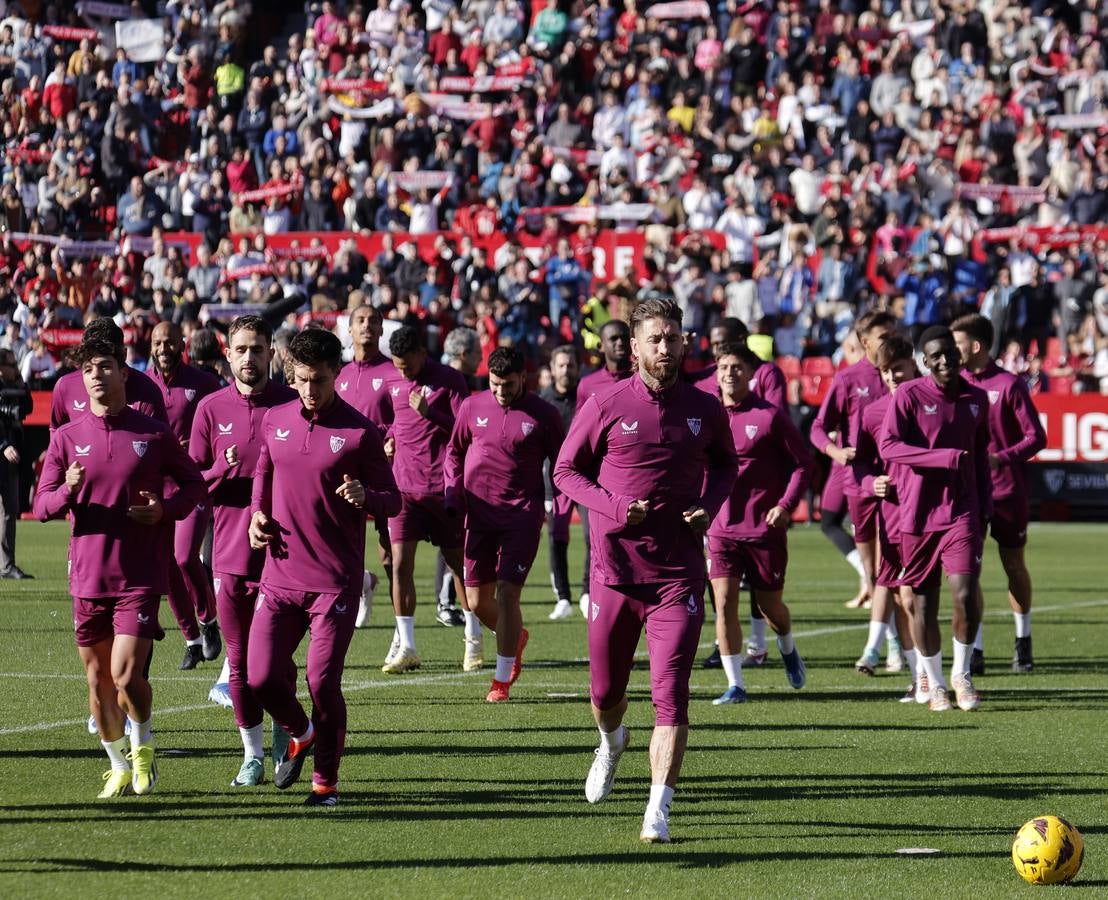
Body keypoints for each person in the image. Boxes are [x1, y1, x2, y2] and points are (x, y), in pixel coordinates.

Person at [554, 296, 738, 844]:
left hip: (677, 575)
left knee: (671, 695)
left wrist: (711, 504)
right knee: (604, 692)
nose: (665, 348)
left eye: (673, 338)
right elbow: (565, 470)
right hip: (614, 572)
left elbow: (726, 464)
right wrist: (612, 506)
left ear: (685, 342)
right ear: (634, 348)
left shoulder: (705, 407)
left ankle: (658, 808)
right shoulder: (605, 403)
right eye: (654, 339)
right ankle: (611, 743)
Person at [34, 337, 205, 797]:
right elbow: (42, 503)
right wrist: (67, 491)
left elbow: (194, 486)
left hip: (140, 576)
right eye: (89, 369)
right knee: (98, 681)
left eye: (105, 367)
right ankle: (117, 765)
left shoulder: (152, 433)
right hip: (88, 576)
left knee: (127, 676)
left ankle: (143, 748)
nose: (96, 375)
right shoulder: (66, 439)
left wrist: (165, 510)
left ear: (123, 374)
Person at [247, 328, 400, 806]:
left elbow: (393, 500)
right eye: (302, 379)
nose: (310, 390)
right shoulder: (275, 419)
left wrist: (366, 497)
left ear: (337, 373)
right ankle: (300, 730)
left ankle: (325, 782)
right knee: (258, 678)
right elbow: (263, 473)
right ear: (291, 374)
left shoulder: (360, 433)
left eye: (319, 380)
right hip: (279, 574)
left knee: (321, 680)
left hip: (334, 581)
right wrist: (256, 516)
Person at [190, 315, 296, 786]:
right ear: (227, 354)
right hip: (231, 554)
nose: (249, 357)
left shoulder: (294, 404)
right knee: (238, 657)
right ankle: (251, 754)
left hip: (287, 557)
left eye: (258, 348)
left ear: (271, 351)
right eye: (241, 349)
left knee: (275, 662)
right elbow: (191, 482)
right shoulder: (210, 409)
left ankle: (282, 736)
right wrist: (218, 469)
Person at [879, 326, 991, 713]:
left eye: (949, 353)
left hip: (962, 511)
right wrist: (942, 457)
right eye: (935, 356)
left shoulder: (977, 399)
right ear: (925, 363)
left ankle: (961, 675)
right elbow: (889, 446)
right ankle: (936, 682)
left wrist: (985, 507)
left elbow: (979, 459)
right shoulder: (910, 394)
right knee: (923, 605)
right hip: (917, 513)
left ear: (960, 355)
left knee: (965, 593)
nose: (944, 361)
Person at [444, 347, 564, 701]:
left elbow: (562, 463)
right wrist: (452, 492)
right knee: (477, 601)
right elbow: (454, 451)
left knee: (507, 593)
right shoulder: (472, 406)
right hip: (478, 516)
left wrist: (560, 500)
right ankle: (515, 637)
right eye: (495, 384)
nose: (500, 391)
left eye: (508, 384)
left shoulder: (544, 415)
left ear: (523, 378)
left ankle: (501, 679)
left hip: (521, 517)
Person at [707, 343, 812, 704]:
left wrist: (785, 505)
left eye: (737, 367)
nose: (729, 373)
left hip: (763, 530)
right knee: (723, 604)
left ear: (752, 374)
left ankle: (786, 645)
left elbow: (803, 464)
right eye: (723, 367)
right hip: (720, 529)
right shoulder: (704, 416)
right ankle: (736, 684)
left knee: (771, 610)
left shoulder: (769, 417)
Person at [951, 313, 1047, 674]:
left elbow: (1036, 437)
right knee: (967, 573)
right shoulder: (953, 384)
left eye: (956, 344)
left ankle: (1023, 642)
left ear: (975, 346)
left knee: (1013, 567)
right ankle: (974, 648)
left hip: (1007, 492)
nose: (949, 352)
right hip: (968, 494)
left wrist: (999, 459)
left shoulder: (1008, 385)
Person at [381, 325, 471, 673]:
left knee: (458, 566)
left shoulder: (450, 380)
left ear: (423, 352)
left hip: (443, 488)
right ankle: (408, 646)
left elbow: (467, 431)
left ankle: (473, 638)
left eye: (407, 364)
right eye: (397, 365)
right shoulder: (392, 381)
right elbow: (395, 423)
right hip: (403, 489)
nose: (402, 371)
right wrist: (389, 439)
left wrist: (430, 413)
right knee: (401, 565)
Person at [809, 312, 898, 612]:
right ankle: (891, 641)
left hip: (898, 479)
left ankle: (906, 645)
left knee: (898, 565)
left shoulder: (904, 375)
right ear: (865, 342)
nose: (891, 342)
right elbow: (818, 428)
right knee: (874, 570)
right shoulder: (848, 379)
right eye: (884, 337)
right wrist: (835, 452)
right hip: (860, 481)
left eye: (893, 335)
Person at [149, 321, 224, 670]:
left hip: (192, 483)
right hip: (154, 487)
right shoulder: (139, 384)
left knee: (183, 557)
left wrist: (196, 449)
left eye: (170, 342)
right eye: (158, 342)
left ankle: (209, 620)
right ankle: (192, 639)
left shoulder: (204, 384)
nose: (164, 348)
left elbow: (221, 429)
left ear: (183, 343)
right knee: (165, 569)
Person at [851, 335, 922, 701]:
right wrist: (870, 481)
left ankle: (939, 670)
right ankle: (920, 675)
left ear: (913, 365)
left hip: (930, 513)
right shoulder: (873, 412)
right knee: (900, 597)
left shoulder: (932, 404)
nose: (892, 376)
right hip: (892, 516)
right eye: (885, 371)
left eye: (898, 368)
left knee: (916, 598)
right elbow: (860, 462)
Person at [337, 303, 396, 628]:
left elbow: (404, 416)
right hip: (347, 471)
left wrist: (392, 438)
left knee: (390, 549)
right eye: (360, 320)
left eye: (373, 320)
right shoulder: (341, 374)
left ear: (382, 327)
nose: (367, 325)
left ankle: (402, 621)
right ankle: (362, 583)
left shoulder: (392, 373)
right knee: (341, 542)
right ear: (350, 328)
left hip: (386, 470)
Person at [572, 319, 632, 616]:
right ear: (601, 346)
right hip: (595, 477)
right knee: (592, 536)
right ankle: (590, 591)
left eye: (625, 337)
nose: (620, 343)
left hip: (630, 475)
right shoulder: (587, 385)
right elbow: (579, 433)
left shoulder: (642, 378)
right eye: (613, 338)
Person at [431, 325, 481, 628]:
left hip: (447, 470)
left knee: (452, 539)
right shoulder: (448, 382)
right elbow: (458, 427)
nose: (480, 358)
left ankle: (451, 601)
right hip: (443, 472)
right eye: (477, 352)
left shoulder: (447, 379)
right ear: (463, 354)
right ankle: (446, 602)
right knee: (450, 539)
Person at [540, 345, 589, 620]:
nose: (566, 370)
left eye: (570, 365)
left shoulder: (587, 397)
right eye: (561, 365)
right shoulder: (543, 402)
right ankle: (563, 597)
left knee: (592, 537)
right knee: (557, 538)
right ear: (552, 367)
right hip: (554, 481)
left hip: (586, 478)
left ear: (578, 368)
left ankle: (586, 592)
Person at [50, 317, 168, 430]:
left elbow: (160, 444)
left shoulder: (146, 390)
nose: (96, 374)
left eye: (104, 364)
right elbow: (57, 436)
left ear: (124, 354)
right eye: (91, 356)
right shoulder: (65, 387)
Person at [0, 349, 32, 579]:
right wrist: (2, 445)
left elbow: (27, 407)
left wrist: (21, 381)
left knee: (9, 511)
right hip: (4, 449)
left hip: (11, 454)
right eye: (12, 364)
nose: (16, 367)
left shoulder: (15, 386)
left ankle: (6, 565)